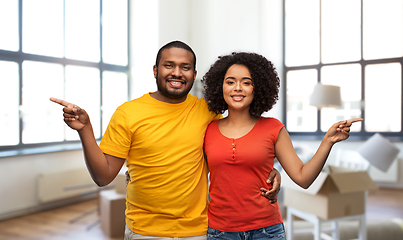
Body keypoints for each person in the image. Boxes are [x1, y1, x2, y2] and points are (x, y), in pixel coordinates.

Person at [50, 41, 281, 240]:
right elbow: (103, 176)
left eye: (185, 67)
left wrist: (269, 171)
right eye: (169, 65)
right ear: (155, 70)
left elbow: (236, 149)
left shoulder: (208, 111)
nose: (177, 73)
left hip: (198, 231)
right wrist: (85, 130)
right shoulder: (128, 113)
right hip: (145, 230)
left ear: (194, 73)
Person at [201, 52, 363, 240]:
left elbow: (303, 178)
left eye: (246, 82)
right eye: (230, 82)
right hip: (220, 232)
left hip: (267, 231)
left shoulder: (273, 128)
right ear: (220, 86)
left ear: (257, 88)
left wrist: (327, 141)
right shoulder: (208, 130)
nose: (238, 88)